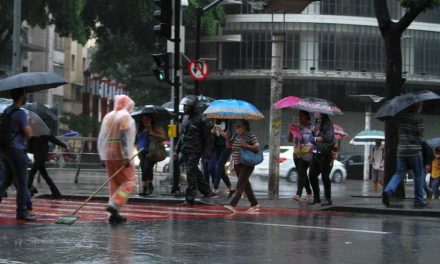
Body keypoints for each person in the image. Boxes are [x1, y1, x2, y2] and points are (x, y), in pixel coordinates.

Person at [97, 95, 137, 224]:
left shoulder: (109, 116)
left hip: (108, 152)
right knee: (129, 182)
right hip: (119, 152)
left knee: (114, 183)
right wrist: (126, 156)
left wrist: (103, 155)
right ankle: (115, 204)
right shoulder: (124, 116)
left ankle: (113, 214)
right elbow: (123, 136)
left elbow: (102, 136)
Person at [382, 102, 427, 208]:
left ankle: (388, 191)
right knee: (418, 175)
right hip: (414, 151)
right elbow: (421, 133)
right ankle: (418, 200)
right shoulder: (417, 118)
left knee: (399, 173)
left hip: (401, 150)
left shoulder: (400, 118)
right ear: (417, 107)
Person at [173, 95, 216, 205]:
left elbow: (208, 138)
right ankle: (207, 191)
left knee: (190, 172)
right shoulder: (185, 118)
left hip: (195, 150)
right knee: (194, 171)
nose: (185, 108)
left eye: (187, 106)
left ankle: (190, 198)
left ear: (193, 107)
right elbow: (182, 136)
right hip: (185, 149)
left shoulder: (202, 119)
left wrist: (207, 154)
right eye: (184, 106)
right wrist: (176, 150)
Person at [0, 88, 35, 221]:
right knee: (21, 183)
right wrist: (31, 124)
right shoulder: (20, 114)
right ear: (21, 96)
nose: (27, 97)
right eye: (25, 94)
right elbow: (28, 134)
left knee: (7, 180)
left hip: (5, 150)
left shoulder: (6, 111)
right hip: (17, 150)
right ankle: (21, 212)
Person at [223, 119, 260, 213]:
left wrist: (246, 145)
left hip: (247, 164)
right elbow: (229, 146)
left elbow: (257, 147)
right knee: (245, 184)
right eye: (236, 126)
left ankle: (233, 205)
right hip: (237, 164)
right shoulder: (236, 135)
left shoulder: (250, 135)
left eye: (238, 126)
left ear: (245, 127)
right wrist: (227, 137)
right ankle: (254, 203)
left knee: (240, 184)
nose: (236, 128)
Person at [308, 113, 335, 206]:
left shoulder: (328, 124)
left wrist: (317, 136)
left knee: (325, 177)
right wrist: (315, 135)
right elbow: (310, 139)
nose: (315, 114)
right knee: (311, 175)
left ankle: (328, 199)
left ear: (322, 114)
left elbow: (329, 137)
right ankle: (316, 197)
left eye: (317, 112)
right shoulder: (316, 124)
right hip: (315, 153)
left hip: (325, 154)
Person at [136, 115, 167, 196]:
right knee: (143, 169)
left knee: (147, 167)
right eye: (143, 119)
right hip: (141, 152)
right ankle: (144, 189)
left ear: (151, 119)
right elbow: (137, 139)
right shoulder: (140, 128)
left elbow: (163, 137)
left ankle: (150, 185)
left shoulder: (154, 127)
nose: (145, 121)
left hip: (151, 152)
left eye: (147, 119)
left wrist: (152, 132)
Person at [288, 110, 313, 202]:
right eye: (299, 116)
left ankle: (298, 194)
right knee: (302, 173)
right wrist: (291, 130)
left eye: (301, 116)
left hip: (307, 153)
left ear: (307, 117)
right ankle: (309, 192)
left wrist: (306, 145)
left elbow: (313, 141)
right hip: (296, 153)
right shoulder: (296, 127)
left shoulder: (311, 128)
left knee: (301, 172)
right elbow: (289, 139)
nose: (299, 118)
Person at [211, 119, 235, 197]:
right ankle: (231, 189)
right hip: (217, 147)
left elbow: (228, 136)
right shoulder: (216, 120)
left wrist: (220, 130)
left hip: (226, 147)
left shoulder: (228, 121)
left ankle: (215, 190)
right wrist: (213, 131)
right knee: (220, 170)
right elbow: (211, 132)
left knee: (218, 166)